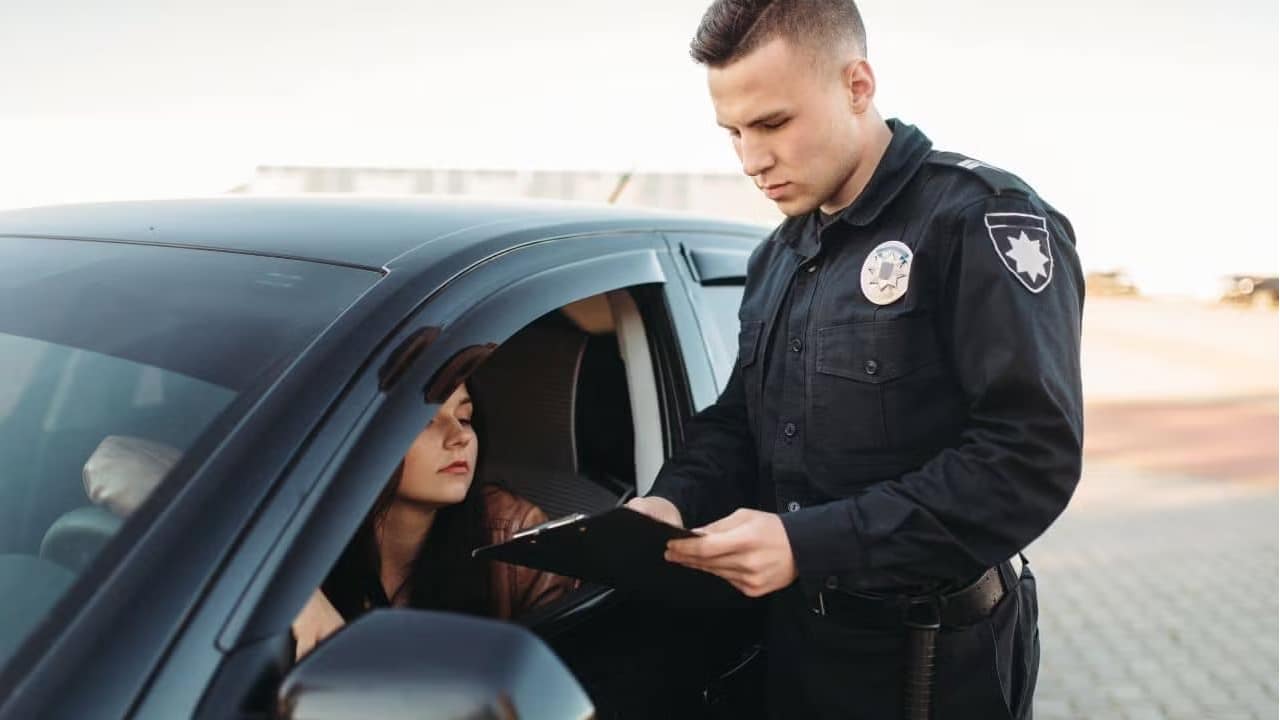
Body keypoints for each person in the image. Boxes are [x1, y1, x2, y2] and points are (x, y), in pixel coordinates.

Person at [626, 1, 1083, 718]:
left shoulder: (978, 217)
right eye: (734, 132)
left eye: (773, 124)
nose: (751, 160)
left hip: (932, 667)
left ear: (858, 86)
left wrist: (810, 544)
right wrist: (669, 500)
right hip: (797, 647)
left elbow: (1028, 460)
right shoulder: (777, 257)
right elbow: (742, 423)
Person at [82, 383, 577, 659]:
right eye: (426, 420)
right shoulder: (299, 517)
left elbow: (568, 667)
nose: (458, 438)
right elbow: (120, 460)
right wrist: (289, 593)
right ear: (365, 435)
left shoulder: (511, 535)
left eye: (464, 417)